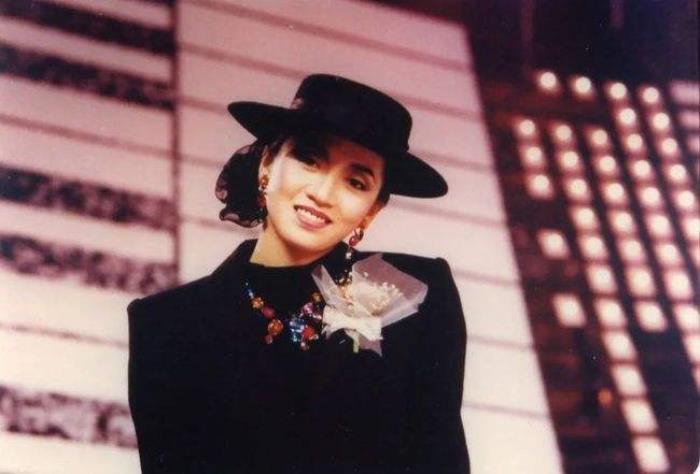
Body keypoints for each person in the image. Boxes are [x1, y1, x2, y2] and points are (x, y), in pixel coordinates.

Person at [127, 74, 470, 473]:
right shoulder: (166, 325)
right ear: (267, 165)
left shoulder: (415, 292)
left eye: (355, 181)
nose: (322, 194)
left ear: (372, 210)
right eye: (309, 159)